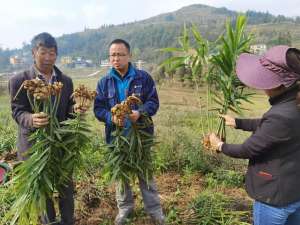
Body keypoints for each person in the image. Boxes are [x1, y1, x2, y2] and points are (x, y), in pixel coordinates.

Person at [209, 45, 300, 225]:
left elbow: (248, 149)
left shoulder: (280, 114)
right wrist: (238, 122)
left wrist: (219, 145)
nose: (262, 87)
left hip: (274, 199)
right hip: (294, 192)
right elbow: (272, 127)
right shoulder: (293, 105)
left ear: (277, 85)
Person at [8, 32, 80, 225]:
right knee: (42, 189)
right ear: (34, 53)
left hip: (61, 144)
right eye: (44, 52)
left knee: (65, 187)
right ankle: (48, 222)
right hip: (33, 147)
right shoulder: (19, 81)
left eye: (52, 53)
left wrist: (78, 110)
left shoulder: (65, 81)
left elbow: (69, 112)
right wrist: (31, 118)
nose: (48, 57)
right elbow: (17, 111)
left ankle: (67, 221)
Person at [94, 39, 165, 225]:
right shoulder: (104, 82)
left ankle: (155, 210)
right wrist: (111, 118)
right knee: (121, 175)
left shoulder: (143, 78)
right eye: (113, 55)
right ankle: (125, 209)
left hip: (140, 137)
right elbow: (98, 109)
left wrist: (139, 113)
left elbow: (153, 103)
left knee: (145, 174)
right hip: (117, 139)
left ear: (129, 56)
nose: (116, 58)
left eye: (120, 54)